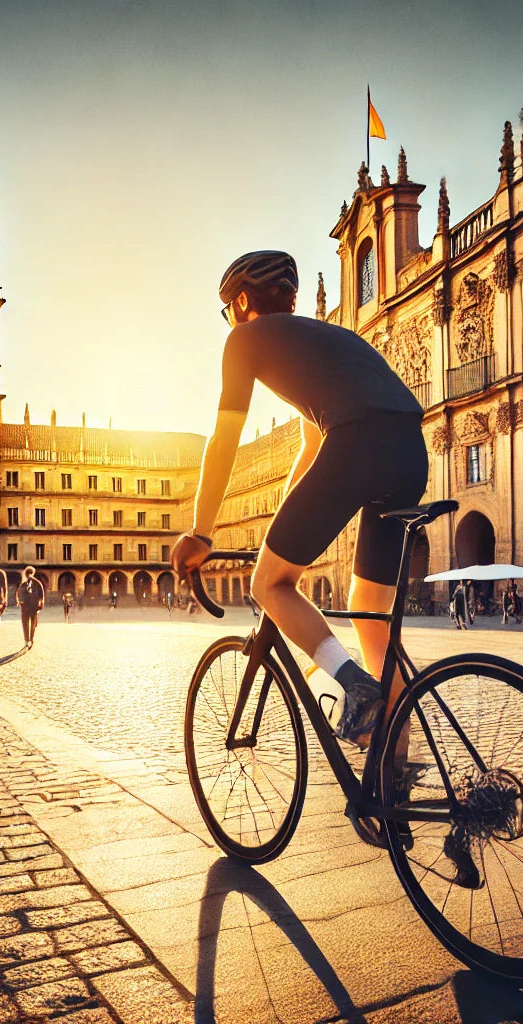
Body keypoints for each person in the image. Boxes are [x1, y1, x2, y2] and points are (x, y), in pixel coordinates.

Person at [171, 250, 427, 745]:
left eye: (228, 311)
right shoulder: (328, 341)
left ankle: (354, 685)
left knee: (268, 584)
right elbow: (311, 446)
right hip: (410, 450)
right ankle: (395, 764)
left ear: (242, 301)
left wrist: (201, 532)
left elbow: (224, 438)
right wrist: (283, 530)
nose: (229, 321)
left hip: (358, 441)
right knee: (369, 615)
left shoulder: (243, 338)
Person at [16, 566, 45, 648]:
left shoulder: (31, 583)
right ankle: (29, 639)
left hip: (29, 605)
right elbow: (41, 595)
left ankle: (28, 639)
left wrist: (19, 601)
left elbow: (41, 594)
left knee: (28, 623)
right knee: (30, 623)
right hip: (29, 605)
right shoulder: (28, 583)